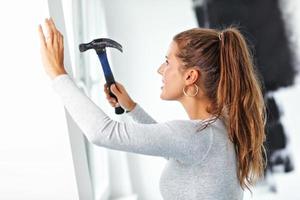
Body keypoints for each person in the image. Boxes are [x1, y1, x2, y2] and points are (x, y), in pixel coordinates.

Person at [38, 18, 266, 200]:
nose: (160, 70)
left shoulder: (198, 136)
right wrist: (131, 107)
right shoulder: (218, 129)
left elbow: (102, 133)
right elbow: (171, 146)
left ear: (190, 76)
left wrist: (58, 75)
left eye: (167, 62)